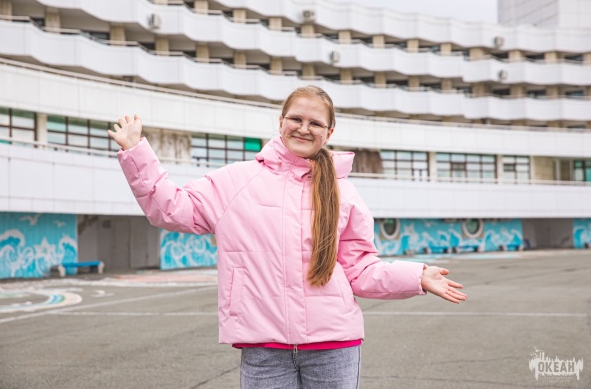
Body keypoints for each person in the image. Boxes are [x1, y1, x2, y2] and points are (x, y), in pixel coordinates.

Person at [109, 85, 467, 388]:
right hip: (265, 349)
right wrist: (136, 152)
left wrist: (415, 276)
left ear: (329, 133)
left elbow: (359, 269)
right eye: (296, 119)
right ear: (280, 122)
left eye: (315, 123)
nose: (303, 128)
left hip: (334, 347)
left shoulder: (344, 193)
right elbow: (170, 208)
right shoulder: (235, 182)